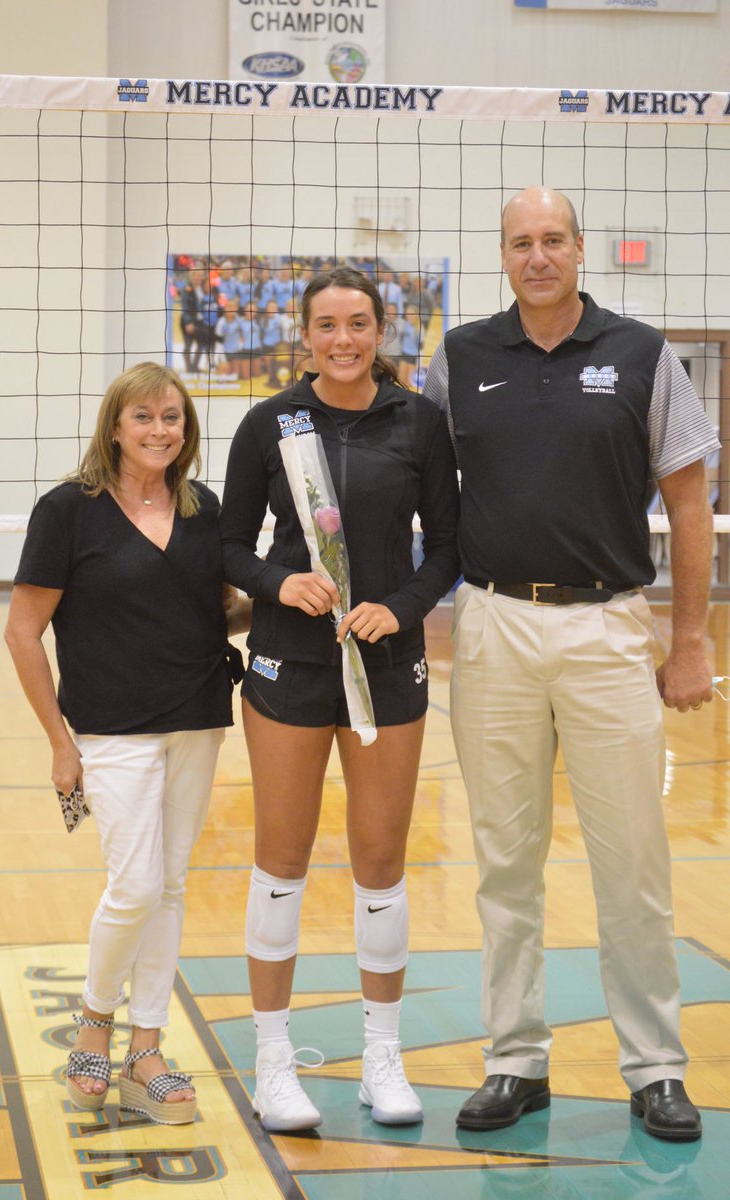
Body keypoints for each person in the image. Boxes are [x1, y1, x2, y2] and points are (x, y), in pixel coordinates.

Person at [423, 186, 718, 1143]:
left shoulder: (641, 353)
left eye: (554, 239)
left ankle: (657, 1068)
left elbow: (685, 502)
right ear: (501, 255)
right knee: (504, 862)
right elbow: (419, 484)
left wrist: (689, 639)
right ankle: (514, 1059)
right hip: (496, 625)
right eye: (521, 242)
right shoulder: (459, 358)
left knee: (630, 861)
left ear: (582, 249)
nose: (538, 255)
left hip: (607, 629)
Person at [220, 266, 460, 1132]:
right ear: (305, 334)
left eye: (358, 323)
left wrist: (399, 607)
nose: (343, 339)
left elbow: (449, 549)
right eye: (327, 325)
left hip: (387, 665)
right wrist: (281, 586)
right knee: (281, 862)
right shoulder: (267, 423)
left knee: (381, 862)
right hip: (289, 662)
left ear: (381, 329)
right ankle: (274, 1063)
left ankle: (382, 1058)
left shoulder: (420, 422)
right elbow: (229, 546)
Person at [4, 362, 243, 1125]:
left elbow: (214, 611)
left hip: (198, 717)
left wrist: (288, 594)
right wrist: (59, 742)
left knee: (170, 886)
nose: (160, 430)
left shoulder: (206, 510)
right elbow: (21, 632)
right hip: (109, 729)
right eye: (144, 417)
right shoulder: (68, 511)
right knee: (135, 885)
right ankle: (94, 1022)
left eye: (172, 417)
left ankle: (146, 1050)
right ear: (115, 427)